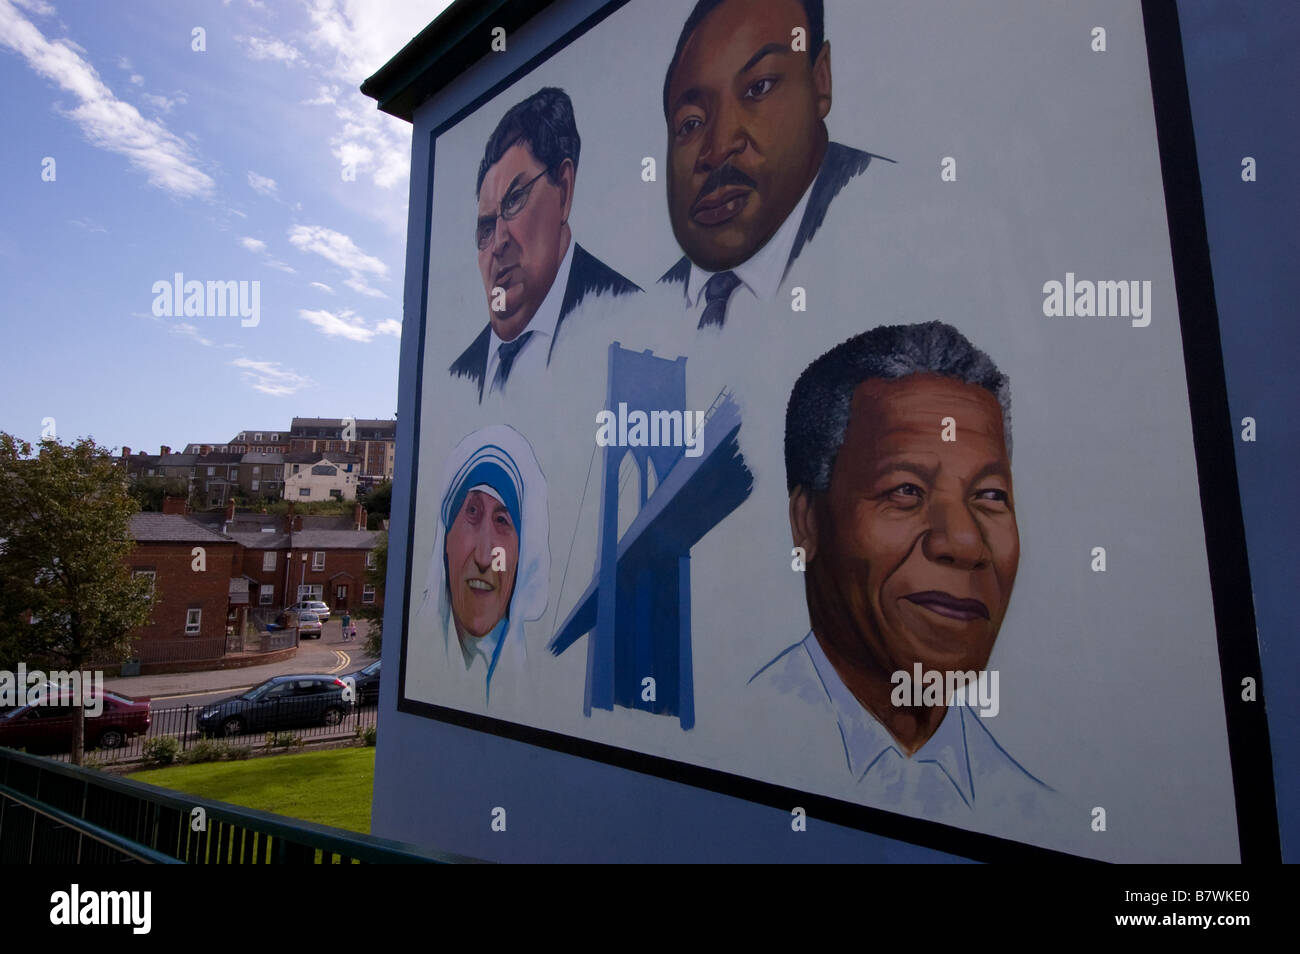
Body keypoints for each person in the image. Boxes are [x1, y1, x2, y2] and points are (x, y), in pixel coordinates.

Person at [752, 321, 1053, 824]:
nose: (963, 543)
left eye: (990, 496)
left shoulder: (1036, 813)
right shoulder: (729, 743)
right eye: (906, 490)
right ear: (807, 522)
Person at [658, 0, 891, 330]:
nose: (719, 148)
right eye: (691, 123)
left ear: (820, 81)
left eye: (759, 87)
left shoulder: (907, 225)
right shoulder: (642, 308)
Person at [450, 87, 641, 401]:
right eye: (485, 228)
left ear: (564, 191)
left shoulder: (634, 320)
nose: (498, 243)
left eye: (514, 201)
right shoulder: (460, 377)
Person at [415, 425, 549, 703]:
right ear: (445, 540)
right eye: (472, 512)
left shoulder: (537, 692)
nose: (485, 557)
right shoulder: (417, 665)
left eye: (503, 520)